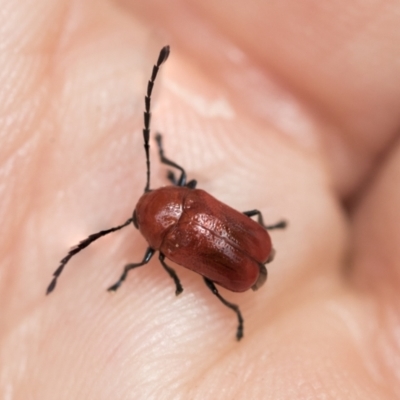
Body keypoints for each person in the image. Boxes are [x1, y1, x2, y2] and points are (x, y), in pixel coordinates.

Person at [1, 1, 399, 398]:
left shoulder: (165, 245)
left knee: (209, 280)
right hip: (251, 256)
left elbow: (156, 261)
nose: (145, 202)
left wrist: (164, 275)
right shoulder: (189, 199)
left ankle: (240, 298)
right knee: (238, 246)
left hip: (249, 258)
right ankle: (248, 281)